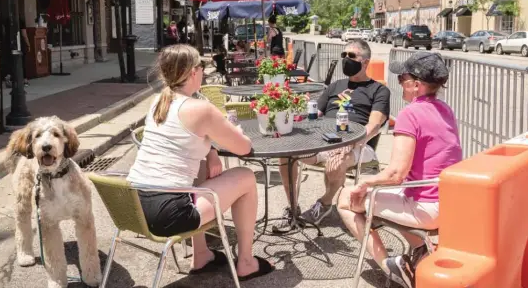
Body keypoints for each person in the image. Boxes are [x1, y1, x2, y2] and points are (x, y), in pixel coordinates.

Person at [127, 45, 274, 281]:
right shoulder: (200, 109)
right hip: (168, 215)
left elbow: (183, 140)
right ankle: (246, 262)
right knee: (246, 176)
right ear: (191, 72)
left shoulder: (158, 102)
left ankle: (201, 254)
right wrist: (234, 130)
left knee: (201, 169)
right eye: (201, 66)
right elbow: (244, 148)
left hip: (133, 206)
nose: (203, 71)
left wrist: (211, 151)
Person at [336, 52, 462, 288]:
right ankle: (419, 250)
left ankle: (392, 269)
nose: (399, 83)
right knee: (381, 193)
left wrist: (366, 183)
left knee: (345, 198)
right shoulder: (445, 109)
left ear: (416, 85)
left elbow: (396, 174)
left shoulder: (409, 114)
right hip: (449, 201)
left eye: (402, 77)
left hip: (426, 206)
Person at [278, 39, 390, 227]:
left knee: (337, 160)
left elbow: (374, 126)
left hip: (360, 146)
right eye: (343, 55)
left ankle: (325, 202)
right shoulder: (335, 86)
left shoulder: (378, 90)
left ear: (365, 62)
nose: (346, 59)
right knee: (286, 154)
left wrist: (350, 143)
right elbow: (316, 114)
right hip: (324, 142)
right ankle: (293, 207)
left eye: (351, 56)